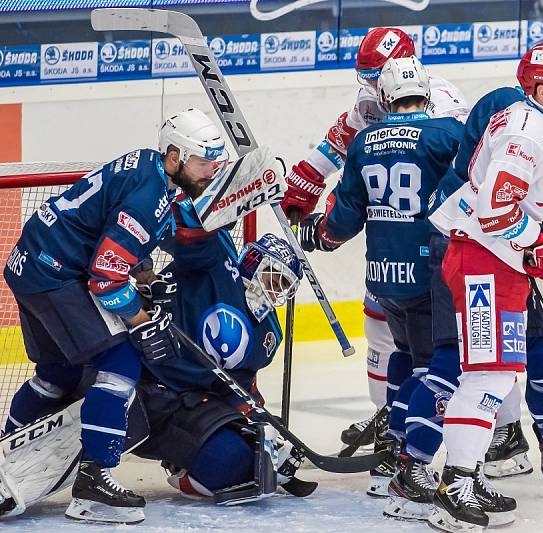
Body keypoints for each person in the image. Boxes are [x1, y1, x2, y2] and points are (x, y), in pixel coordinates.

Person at [0, 108, 222, 524]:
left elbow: (114, 237)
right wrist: (141, 319)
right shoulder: (151, 196)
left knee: (57, 374)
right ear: (174, 156)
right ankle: (94, 484)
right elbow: (104, 279)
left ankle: (6, 453)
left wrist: (145, 275)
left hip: (29, 264)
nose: (211, 170)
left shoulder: (148, 166)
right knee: (121, 362)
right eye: (203, 161)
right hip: (55, 272)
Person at [427, 43, 543, 532]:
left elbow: (527, 209)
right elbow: (496, 212)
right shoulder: (526, 132)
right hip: (483, 262)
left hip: (496, 260)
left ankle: (468, 472)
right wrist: (542, 249)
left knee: (496, 375)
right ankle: (454, 486)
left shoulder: (538, 123)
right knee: (488, 376)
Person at [281, 27, 470, 447]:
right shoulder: (378, 98)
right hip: (408, 243)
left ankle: (494, 428)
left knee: (444, 349)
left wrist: (325, 225)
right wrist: (302, 184)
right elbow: (336, 145)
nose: (369, 84)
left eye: (376, 73)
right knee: (389, 330)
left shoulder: (447, 104)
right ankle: (393, 416)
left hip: (432, 244)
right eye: (364, 74)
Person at [128, 191, 315, 507]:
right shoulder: (216, 260)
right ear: (253, 262)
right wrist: (234, 189)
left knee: (236, 463)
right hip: (139, 379)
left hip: (186, 405)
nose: (275, 290)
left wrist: (264, 436)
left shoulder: (269, 333)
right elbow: (177, 222)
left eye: (284, 286)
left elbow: (239, 391)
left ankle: (183, 465)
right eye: (273, 277)